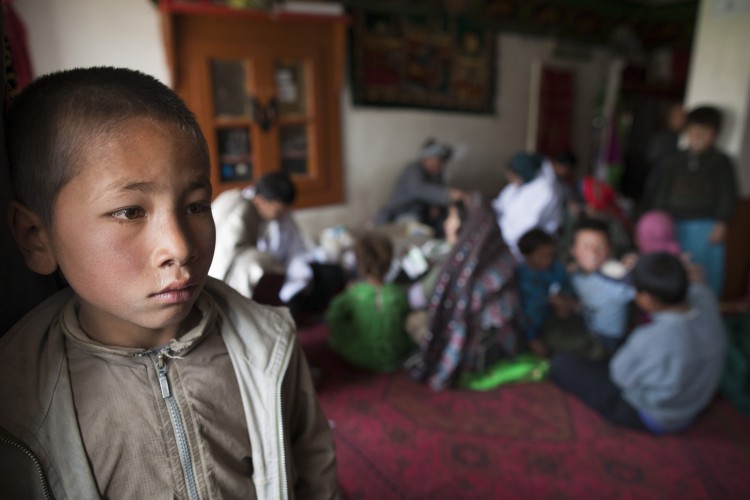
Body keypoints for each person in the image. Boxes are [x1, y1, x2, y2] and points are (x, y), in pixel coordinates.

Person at [0, 67, 338, 498]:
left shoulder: (267, 341)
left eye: (196, 206)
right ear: (35, 236)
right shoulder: (16, 402)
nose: (179, 247)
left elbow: (312, 460)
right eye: (129, 211)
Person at [550, 252, 726, 433]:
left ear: (647, 299)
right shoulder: (706, 298)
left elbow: (619, 376)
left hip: (655, 416)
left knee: (562, 363)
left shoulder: (650, 337)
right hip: (694, 406)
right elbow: (694, 285)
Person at [409, 194, 521, 391]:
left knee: (413, 318)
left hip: (470, 345)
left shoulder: (455, 267)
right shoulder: (501, 252)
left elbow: (416, 299)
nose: (446, 223)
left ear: (468, 225)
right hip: (504, 341)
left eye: (452, 217)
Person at [650, 105, 739, 296]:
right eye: (693, 131)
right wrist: (659, 220)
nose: (698, 136)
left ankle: (704, 308)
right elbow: (662, 192)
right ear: (686, 132)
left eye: (705, 132)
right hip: (673, 224)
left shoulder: (721, 162)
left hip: (706, 226)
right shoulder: (674, 160)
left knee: (704, 270)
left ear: (715, 134)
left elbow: (727, 194)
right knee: (676, 267)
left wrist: (722, 223)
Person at [210, 171, 313, 303]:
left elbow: (296, 251)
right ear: (260, 201)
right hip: (231, 281)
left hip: (281, 283)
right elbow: (225, 258)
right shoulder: (239, 211)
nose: (282, 215)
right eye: (278, 211)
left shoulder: (281, 215)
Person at [326, 233, 413, 372]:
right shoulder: (398, 293)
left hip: (359, 354)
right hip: (395, 353)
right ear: (389, 263)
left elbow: (333, 317)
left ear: (358, 263)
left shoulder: (353, 294)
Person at [569, 218, 636, 353]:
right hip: (587, 332)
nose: (593, 253)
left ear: (610, 250)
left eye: (599, 246)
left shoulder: (619, 280)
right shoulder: (572, 275)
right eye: (586, 246)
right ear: (573, 250)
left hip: (612, 340)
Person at [376, 138, 465, 237]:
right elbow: (418, 189)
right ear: (427, 159)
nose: (441, 166)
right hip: (401, 214)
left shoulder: (436, 176)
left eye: (442, 162)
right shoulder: (413, 170)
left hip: (424, 215)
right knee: (412, 225)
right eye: (438, 161)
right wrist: (449, 194)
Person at [516, 228, 575, 357]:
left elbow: (565, 285)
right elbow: (529, 312)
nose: (547, 260)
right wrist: (532, 339)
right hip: (534, 329)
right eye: (542, 256)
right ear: (527, 256)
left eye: (550, 255)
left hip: (557, 318)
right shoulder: (522, 279)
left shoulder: (555, 268)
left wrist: (565, 301)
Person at [492, 151, 562, 259]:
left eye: (512, 176)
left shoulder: (545, 191)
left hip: (529, 244)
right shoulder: (516, 186)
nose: (510, 180)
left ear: (522, 173)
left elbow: (525, 226)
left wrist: (497, 232)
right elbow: (499, 204)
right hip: (504, 236)